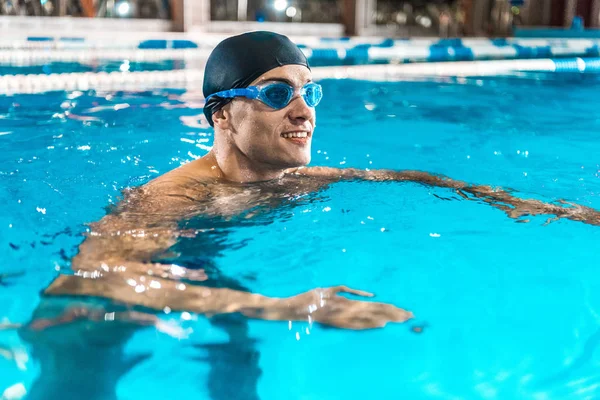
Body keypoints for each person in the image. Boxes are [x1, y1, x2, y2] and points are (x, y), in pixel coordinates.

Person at [10, 31, 600, 399]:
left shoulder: (287, 179)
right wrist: (288, 308)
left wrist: (525, 203)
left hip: (200, 270)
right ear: (222, 116)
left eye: (308, 92)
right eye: (276, 94)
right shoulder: (170, 201)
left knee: (239, 361)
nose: (303, 111)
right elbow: (107, 279)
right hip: (89, 319)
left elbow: (405, 176)